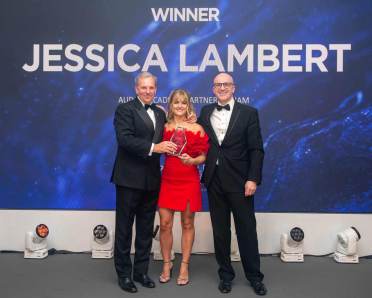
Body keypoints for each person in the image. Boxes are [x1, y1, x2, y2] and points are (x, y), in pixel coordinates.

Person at [198, 73, 267, 296]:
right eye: (218, 85)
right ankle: (225, 276)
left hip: (240, 181)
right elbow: (192, 132)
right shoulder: (206, 112)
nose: (222, 88)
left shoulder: (249, 113)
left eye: (226, 84)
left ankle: (255, 277)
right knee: (220, 232)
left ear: (234, 88)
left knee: (246, 230)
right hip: (214, 180)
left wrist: (253, 178)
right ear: (213, 89)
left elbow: (256, 149)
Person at [110, 72, 177, 293]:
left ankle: (141, 272)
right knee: (124, 229)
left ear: (156, 89)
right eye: (143, 88)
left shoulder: (159, 112)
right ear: (136, 89)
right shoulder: (125, 109)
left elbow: (175, 128)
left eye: (151, 88)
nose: (147, 91)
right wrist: (154, 148)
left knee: (146, 228)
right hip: (128, 179)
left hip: (152, 181)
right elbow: (125, 139)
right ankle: (124, 275)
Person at [157, 89, 209, 286]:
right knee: (165, 224)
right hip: (168, 179)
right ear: (171, 105)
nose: (179, 106)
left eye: (183, 102)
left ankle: (184, 265)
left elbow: (203, 156)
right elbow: (152, 112)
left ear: (189, 106)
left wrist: (193, 160)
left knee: (187, 224)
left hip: (189, 179)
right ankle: (167, 263)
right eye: (176, 102)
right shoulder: (163, 127)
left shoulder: (197, 128)